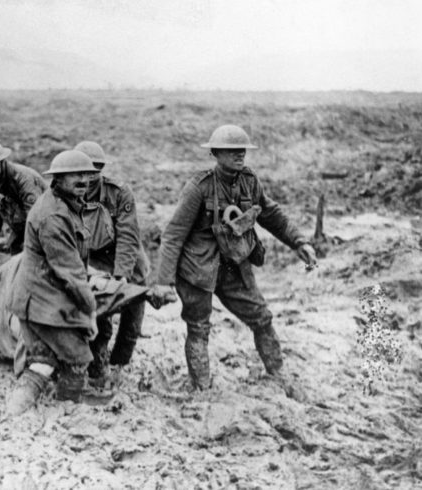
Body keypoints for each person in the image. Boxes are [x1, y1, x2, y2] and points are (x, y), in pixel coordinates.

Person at [154, 124, 317, 394]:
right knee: (198, 328)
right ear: (216, 153)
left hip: (234, 267)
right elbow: (173, 235)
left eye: (242, 150)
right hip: (197, 270)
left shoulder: (250, 182)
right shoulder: (199, 187)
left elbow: (271, 215)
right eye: (231, 151)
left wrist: (299, 242)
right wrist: (163, 281)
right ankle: (202, 391)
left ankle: (278, 375)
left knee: (262, 317)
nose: (239, 155)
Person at [6, 149, 111, 415]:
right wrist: (89, 312)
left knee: (43, 361)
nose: (83, 180)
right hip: (43, 301)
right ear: (58, 179)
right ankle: (67, 408)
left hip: (39, 296)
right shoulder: (54, 215)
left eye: (87, 174)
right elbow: (70, 271)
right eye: (75, 175)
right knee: (78, 357)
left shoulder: (65, 205)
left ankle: (15, 413)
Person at [74, 141, 149, 386]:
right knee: (98, 311)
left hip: (126, 257)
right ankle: (97, 364)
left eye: (96, 170)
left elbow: (128, 235)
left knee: (132, 315)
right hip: (92, 257)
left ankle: (119, 363)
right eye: (84, 171)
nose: (90, 176)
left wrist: (122, 275)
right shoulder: (68, 193)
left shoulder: (119, 193)